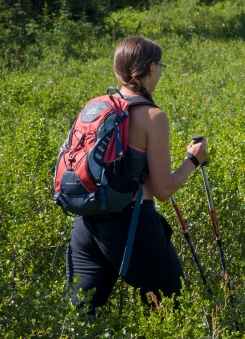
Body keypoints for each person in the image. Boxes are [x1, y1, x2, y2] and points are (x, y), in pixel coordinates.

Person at [66, 36, 207, 311]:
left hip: (86, 223)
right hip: (132, 224)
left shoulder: (95, 107)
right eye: (161, 66)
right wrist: (192, 159)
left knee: (78, 323)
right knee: (171, 314)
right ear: (152, 67)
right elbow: (163, 190)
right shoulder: (152, 116)